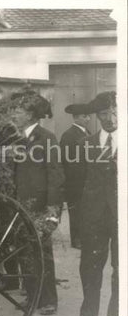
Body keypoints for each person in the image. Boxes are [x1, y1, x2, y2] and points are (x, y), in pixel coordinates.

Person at [9, 90, 64, 316]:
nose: (14, 114)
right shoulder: (14, 138)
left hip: (40, 206)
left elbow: (55, 175)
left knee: (42, 252)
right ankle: (32, 296)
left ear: (31, 115)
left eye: (19, 111)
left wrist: (53, 210)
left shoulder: (46, 138)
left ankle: (49, 299)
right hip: (18, 205)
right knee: (24, 251)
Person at [78, 91, 117, 316]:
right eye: (104, 113)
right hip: (94, 219)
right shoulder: (86, 145)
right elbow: (76, 187)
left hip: (123, 218)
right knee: (90, 268)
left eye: (115, 112)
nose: (111, 118)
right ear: (97, 116)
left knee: (122, 270)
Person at [60, 103, 92, 249]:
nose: (89, 119)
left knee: (86, 210)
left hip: (87, 180)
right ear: (77, 117)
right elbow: (66, 160)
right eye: (86, 116)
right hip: (75, 182)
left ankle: (84, 237)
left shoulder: (88, 133)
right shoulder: (69, 135)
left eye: (88, 116)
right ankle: (76, 239)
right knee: (76, 211)